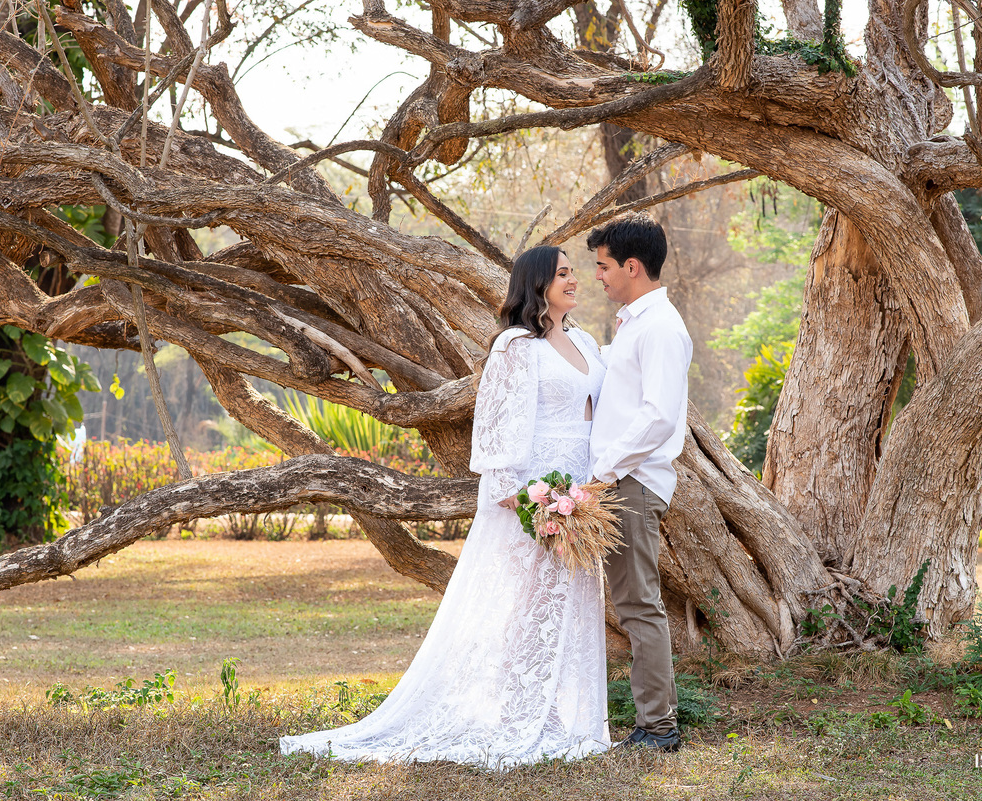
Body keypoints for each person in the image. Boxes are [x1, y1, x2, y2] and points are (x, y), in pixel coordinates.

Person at [280, 245, 611, 769]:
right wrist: (530, 502)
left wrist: (588, 493)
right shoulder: (514, 347)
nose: (574, 280)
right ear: (537, 282)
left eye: (575, 272)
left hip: (582, 499)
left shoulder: (588, 343)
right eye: (563, 273)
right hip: (533, 497)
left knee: (568, 605)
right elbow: (497, 432)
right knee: (519, 604)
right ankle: (509, 714)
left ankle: (560, 715)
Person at [587, 213, 692, 752]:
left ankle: (659, 727)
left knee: (637, 605)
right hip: (617, 481)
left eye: (603, 266)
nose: (597, 277)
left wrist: (601, 475)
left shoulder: (661, 327)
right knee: (631, 602)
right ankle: (653, 721)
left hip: (629, 483)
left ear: (631, 266)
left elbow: (658, 417)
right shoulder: (635, 323)